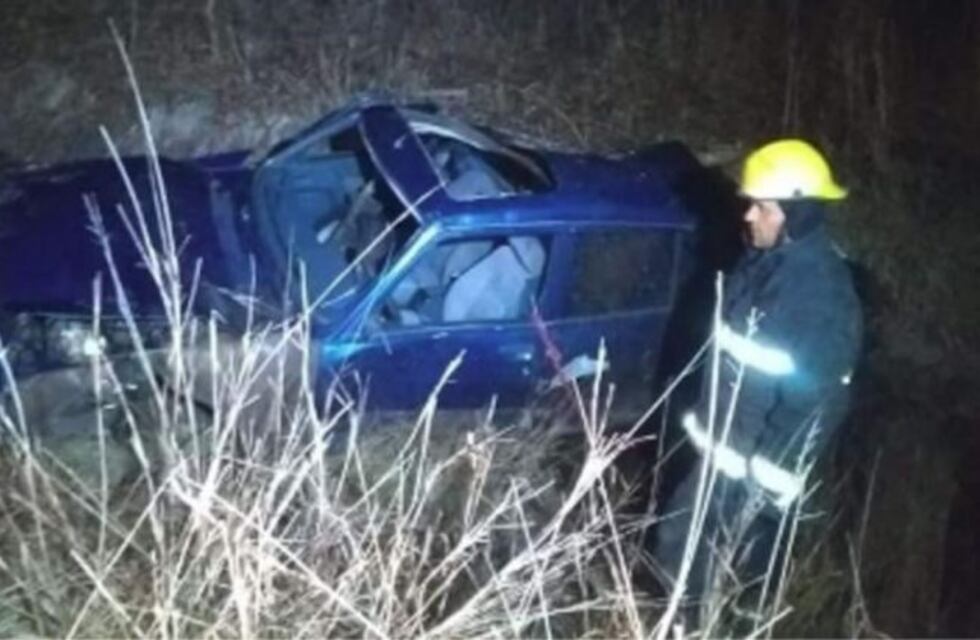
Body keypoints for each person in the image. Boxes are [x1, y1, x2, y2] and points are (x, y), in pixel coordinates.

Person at [654, 139, 863, 612]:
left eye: (761, 207)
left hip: (747, 487)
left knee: (716, 590)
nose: (748, 216)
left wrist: (760, 496)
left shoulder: (818, 299)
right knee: (672, 559)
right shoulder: (763, 266)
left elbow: (816, 405)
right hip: (718, 459)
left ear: (798, 214)